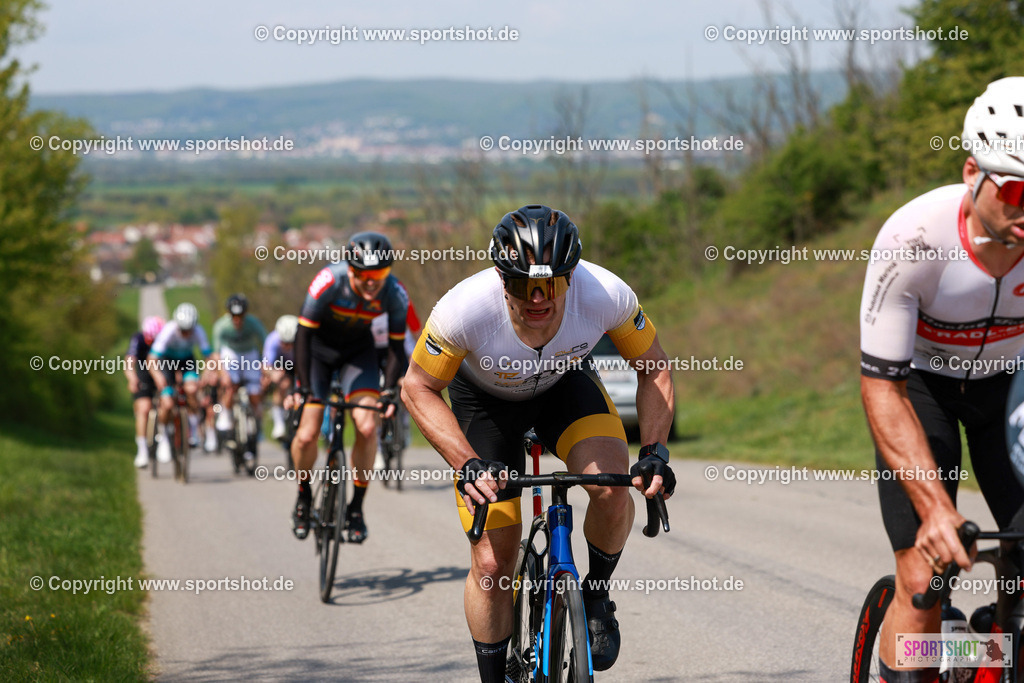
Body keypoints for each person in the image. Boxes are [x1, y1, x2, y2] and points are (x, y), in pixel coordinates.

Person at [401, 204, 676, 682]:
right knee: (492, 563)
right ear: (500, 278)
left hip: (563, 391)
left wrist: (653, 452)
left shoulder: (606, 293)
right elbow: (416, 387)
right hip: (484, 407)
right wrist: (467, 463)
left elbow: (654, 366)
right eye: (521, 284)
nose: (536, 298)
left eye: (549, 285)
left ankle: (593, 595)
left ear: (570, 277)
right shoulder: (463, 309)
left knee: (613, 489)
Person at [859, 77, 1024, 683]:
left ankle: (999, 640)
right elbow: (882, 385)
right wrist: (934, 510)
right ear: (971, 172)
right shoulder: (914, 239)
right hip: (920, 388)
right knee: (926, 572)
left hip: (1010, 391)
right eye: (1014, 189)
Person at [290, 232, 408, 543]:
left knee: (368, 427)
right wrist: (302, 387)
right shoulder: (329, 280)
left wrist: (390, 391)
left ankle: (356, 507)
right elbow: (302, 336)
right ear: (351, 269)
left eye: (379, 274)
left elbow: (397, 348)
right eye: (364, 275)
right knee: (306, 433)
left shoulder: (395, 293)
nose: (372, 282)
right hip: (318, 355)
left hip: (358, 355)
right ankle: (303, 497)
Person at [149, 302, 213, 463]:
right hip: (167, 361)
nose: (186, 334)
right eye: (183, 330)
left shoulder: (198, 331)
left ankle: (192, 428)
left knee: (192, 389)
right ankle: (163, 437)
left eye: (189, 330)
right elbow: (152, 358)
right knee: (168, 403)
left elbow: (209, 357)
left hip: (186, 360)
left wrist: (207, 373)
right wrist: (158, 376)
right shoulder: (169, 330)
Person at [211, 293, 267, 462]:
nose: (237, 320)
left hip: (249, 354)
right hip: (231, 354)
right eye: (234, 316)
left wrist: (264, 369)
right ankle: (226, 417)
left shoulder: (254, 324)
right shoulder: (221, 326)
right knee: (230, 386)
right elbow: (216, 354)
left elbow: (266, 344)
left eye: (240, 316)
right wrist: (223, 374)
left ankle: (257, 424)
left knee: (255, 391)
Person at [127, 316, 164, 467]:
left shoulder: (164, 339)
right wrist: (132, 378)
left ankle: (166, 436)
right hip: (143, 373)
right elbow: (130, 361)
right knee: (144, 408)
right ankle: (142, 450)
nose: (151, 342)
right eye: (149, 339)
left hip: (162, 370)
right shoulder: (138, 338)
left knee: (167, 404)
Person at [263, 314, 298, 440]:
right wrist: (273, 373)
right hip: (280, 365)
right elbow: (266, 365)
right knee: (283, 385)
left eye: (290, 343)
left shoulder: (303, 341)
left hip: (298, 365)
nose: (287, 346)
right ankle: (279, 424)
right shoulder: (272, 340)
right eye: (284, 342)